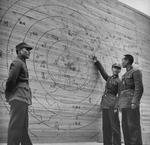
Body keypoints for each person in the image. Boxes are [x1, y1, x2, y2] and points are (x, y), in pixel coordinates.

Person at [5, 42, 33, 145]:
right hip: (18, 97)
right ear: (19, 51)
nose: (29, 52)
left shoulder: (22, 63)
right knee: (16, 126)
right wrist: (8, 96)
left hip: (22, 98)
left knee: (23, 126)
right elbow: (11, 80)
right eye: (27, 50)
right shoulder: (17, 62)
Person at [93, 56, 121, 145]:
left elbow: (120, 95)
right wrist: (97, 62)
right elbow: (102, 72)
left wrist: (117, 106)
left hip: (112, 105)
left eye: (118, 69)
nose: (116, 70)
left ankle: (117, 144)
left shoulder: (119, 81)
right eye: (115, 68)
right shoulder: (109, 78)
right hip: (105, 104)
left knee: (115, 126)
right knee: (106, 126)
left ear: (119, 70)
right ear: (112, 68)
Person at [118, 54, 144, 145]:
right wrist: (120, 105)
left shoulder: (135, 72)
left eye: (122, 60)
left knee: (133, 126)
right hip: (124, 104)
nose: (121, 62)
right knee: (125, 127)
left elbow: (139, 88)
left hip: (132, 104)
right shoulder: (124, 75)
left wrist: (135, 102)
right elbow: (122, 91)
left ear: (127, 61)